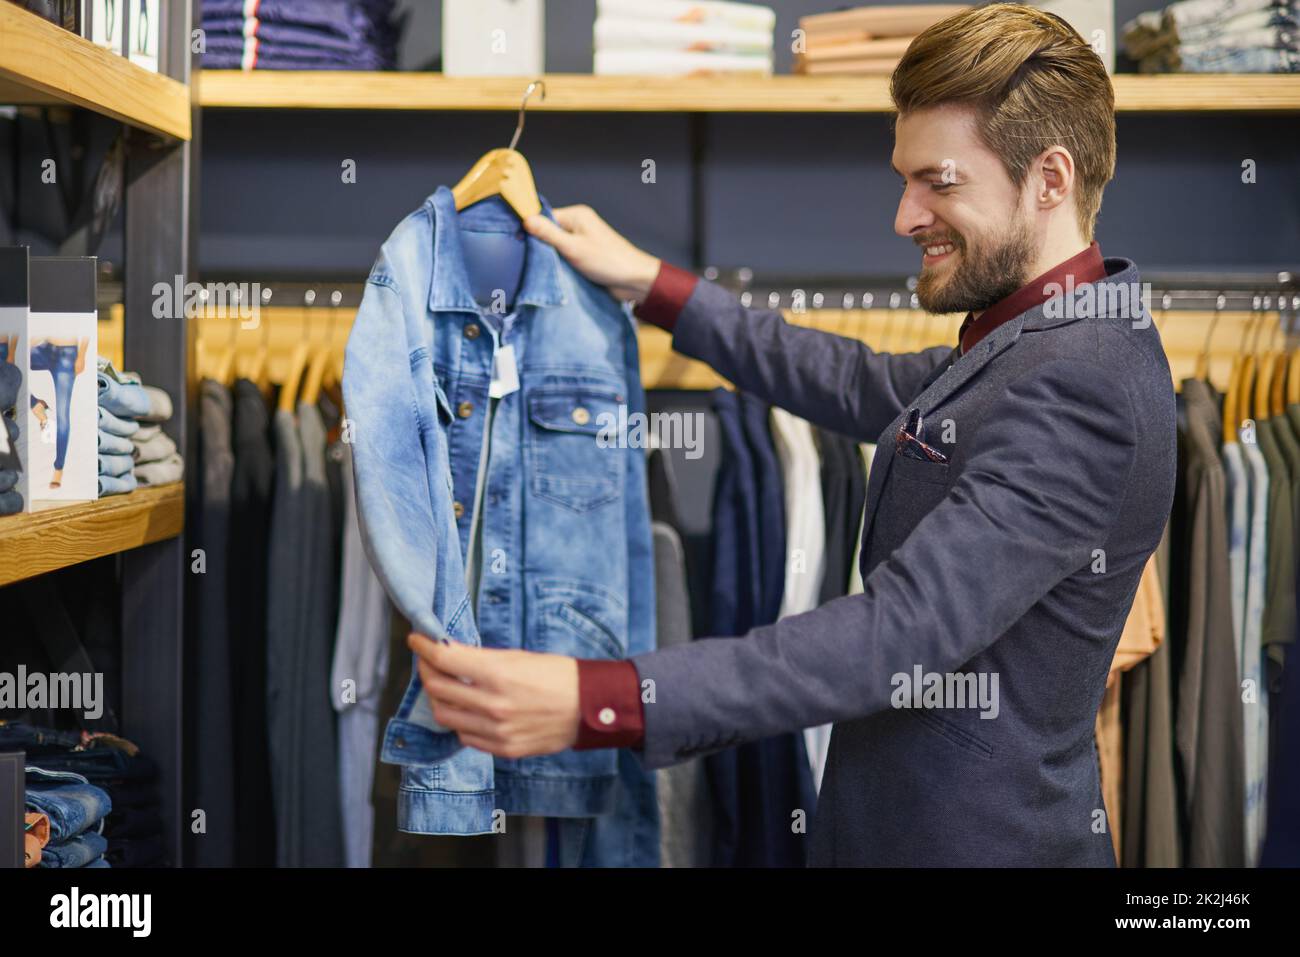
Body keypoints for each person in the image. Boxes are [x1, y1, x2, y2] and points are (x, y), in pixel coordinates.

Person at [406, 3, 1178, 866]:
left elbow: (900, 627)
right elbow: (855, 381)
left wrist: (605, 698)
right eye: (905, 179)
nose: (905, 216)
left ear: (1050, 179)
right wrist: (651, 284)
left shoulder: (1086, 380)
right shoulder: (1042, 331)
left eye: (940, 183)